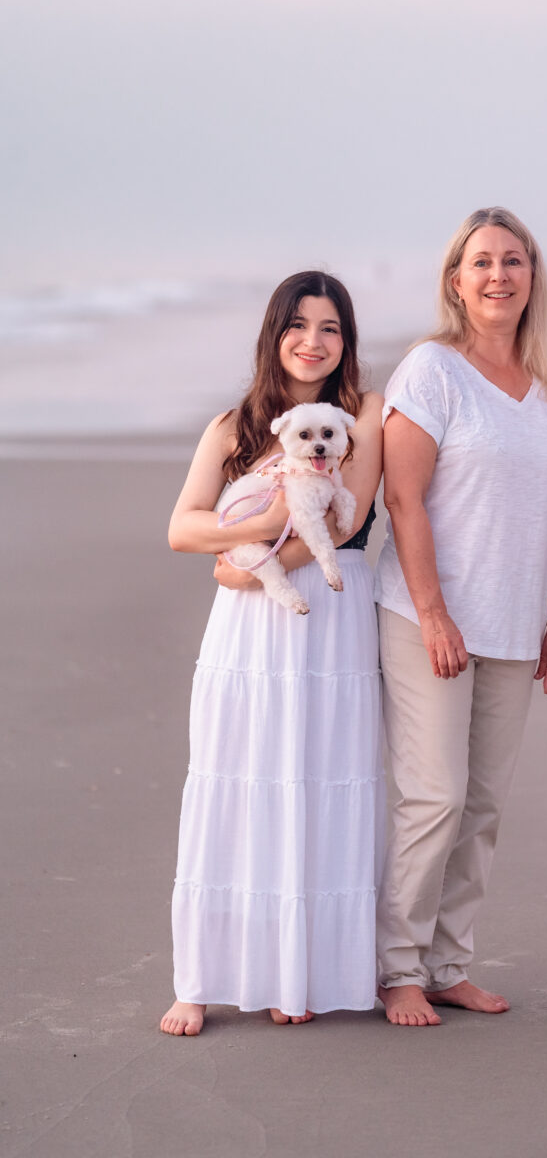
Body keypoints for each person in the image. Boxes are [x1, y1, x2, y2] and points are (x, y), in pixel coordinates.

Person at [160, 271, 384, 1035]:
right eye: (298, 325)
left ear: (346, 343)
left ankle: (300, 972)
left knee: (317, 783)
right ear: (274, 333)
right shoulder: (234, 426)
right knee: (235, 780)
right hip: (246, 625)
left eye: (330, 328)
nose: (312, 341)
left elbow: (336, 524)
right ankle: (198, 979)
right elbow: (182, 528)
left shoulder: (364, 418)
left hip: (332, 610)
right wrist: (240, 549)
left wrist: (249, 560)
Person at [374, 207, 547, 1027]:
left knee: (484, 804)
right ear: (457, 281)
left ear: (533, 278)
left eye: (514, 261)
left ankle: (448, 963)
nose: (499, 276)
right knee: (435, 797)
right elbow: (402, 496)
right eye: (482, 262)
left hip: (514, 623)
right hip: (430, 618)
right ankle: (396, 970)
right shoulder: (431, 370)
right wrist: (432, 613)